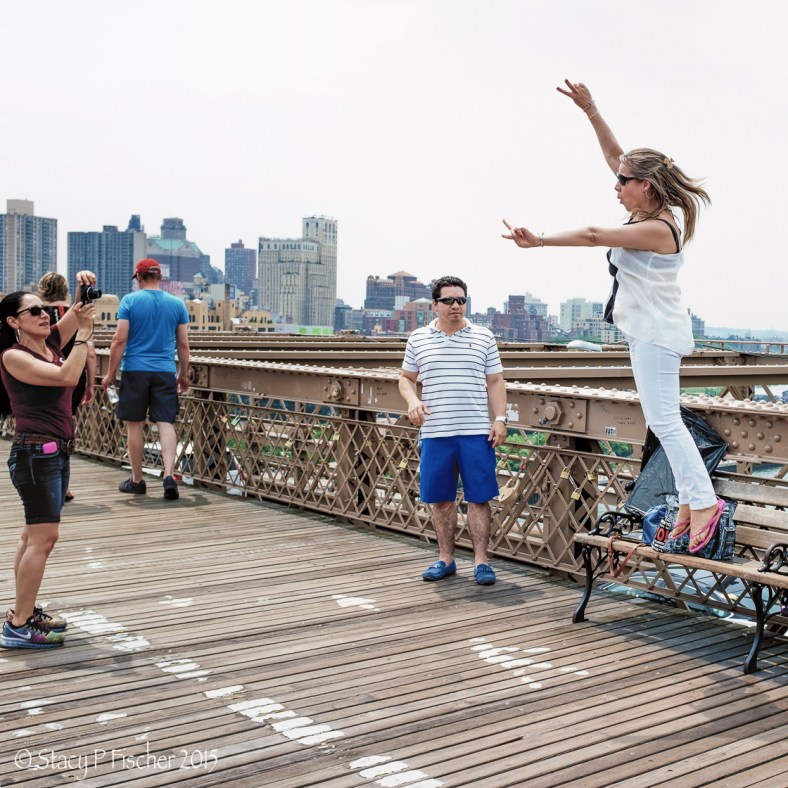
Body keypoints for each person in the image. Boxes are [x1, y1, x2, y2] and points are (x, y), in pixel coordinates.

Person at [501, 79, 724, 554]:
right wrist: (591, 111)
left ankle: (703, 501)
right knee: (663, 419)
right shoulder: (654, 213)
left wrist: (537, 240)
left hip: (656, 334)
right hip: (651, 332)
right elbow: (615, 156)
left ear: (645, 186)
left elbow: (589, 235)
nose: (615, 185)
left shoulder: (657, 228)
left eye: (623, 181)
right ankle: (689, 499)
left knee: (665, 421)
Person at [0, 274, 96, 649]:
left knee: (31, 537)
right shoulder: (14, 356)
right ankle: (19, 626)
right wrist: (85, 337)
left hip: (54, 451)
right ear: (13, 322)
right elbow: (67, 374)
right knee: (44, 538)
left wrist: (82, 290)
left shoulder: (48, 342)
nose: (45, 315)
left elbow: (75, 313)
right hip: (35, 454)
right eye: (35, 311)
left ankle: (23, 610)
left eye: (46, 309)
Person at [399, 276, 508, 585]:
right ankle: (445, 559)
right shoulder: (418, 339)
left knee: (479, 498)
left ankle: (481, 562)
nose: (456, 306)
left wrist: (500, 418)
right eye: (448, 300)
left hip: (476, 432)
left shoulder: (484, 337)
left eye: (461, 300)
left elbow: (496, 381)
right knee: (442, 500)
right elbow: (406, 378)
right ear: (434, 305)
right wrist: (412, 400)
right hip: (435, 432)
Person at [101, 258, 190, 501]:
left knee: (135, 425)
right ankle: (169, 475)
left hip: (135, 370)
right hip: (164, 371)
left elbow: (119, 340)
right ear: (160, 278)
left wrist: (110, 373)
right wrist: (183, 373)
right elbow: (183, 344)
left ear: (139, 278)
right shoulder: (177, 304)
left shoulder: (130, 301)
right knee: (165, 422)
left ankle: (138, 481)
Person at [38, 272, 97, 502]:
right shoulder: (77, 313)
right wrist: (91, 384)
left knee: (43, 427)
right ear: (65, 290)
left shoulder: (36, 314)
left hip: (43, 374)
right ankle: (64, 484)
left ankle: (45, 480)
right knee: (66, 426)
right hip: (74, 375)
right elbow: (90, 352)